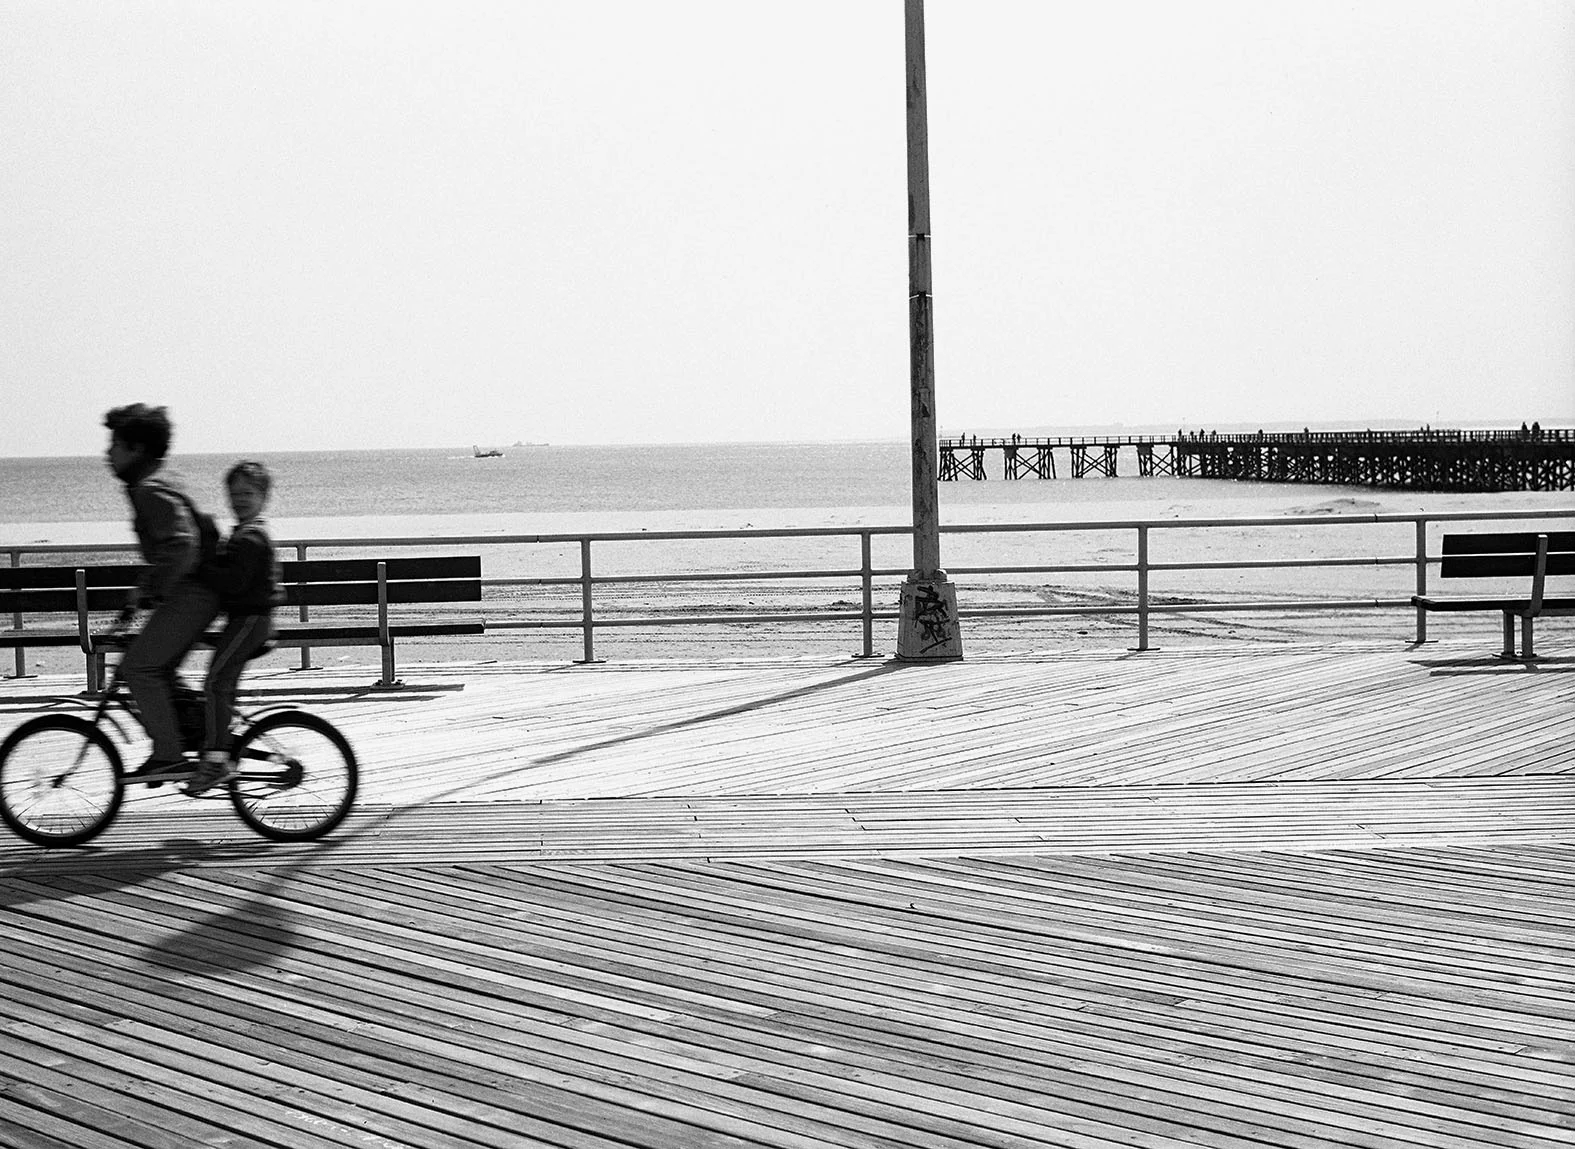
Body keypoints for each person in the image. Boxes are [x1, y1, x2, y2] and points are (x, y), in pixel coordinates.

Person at [104, 404, 221, 779]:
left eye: (115, 445)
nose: (107, 453)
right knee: (158, 668)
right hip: (198, 593)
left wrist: (150, 590)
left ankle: (169, 755)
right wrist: (145, 591)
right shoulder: (162, 479)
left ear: (136, 448)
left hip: (195, 595)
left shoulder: (149, 488)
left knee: (138, 669)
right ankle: (203, 737)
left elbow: (181, 544)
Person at [186, 460, 280, 796]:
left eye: (248, 493)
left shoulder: (251, 538)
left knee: (214, 684)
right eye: (235, 493)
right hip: (246, 621)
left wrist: (199, 567)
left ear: (263, 497)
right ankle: (220, 746)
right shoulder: (244, 534)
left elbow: (234, 583)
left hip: (250, 621)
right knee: (220, 686)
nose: (240, 499)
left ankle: (216, 760)